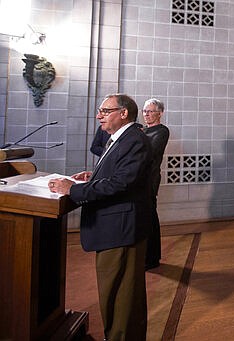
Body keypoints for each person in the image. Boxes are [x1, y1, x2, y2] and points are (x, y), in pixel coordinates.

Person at [48, 94, 152, 341]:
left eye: (105, 111)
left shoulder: (134, 139)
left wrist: (72, 189)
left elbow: (122, 183)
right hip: (114, 226)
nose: (99, 116)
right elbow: (118, 173)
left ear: (124, 113)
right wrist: (92, 178)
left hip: (121, 228)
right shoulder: (120, 139)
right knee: (114, 293)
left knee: (121, 295)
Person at [142, 98, 170, 270]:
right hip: (139, 180)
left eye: (150, 111)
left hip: (149, 180)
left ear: (160, 113)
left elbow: (150, 153)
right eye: (145, 111)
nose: (146, 114)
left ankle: (152, 258)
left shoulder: (162, 131)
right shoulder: (142, 130)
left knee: (150, 219)